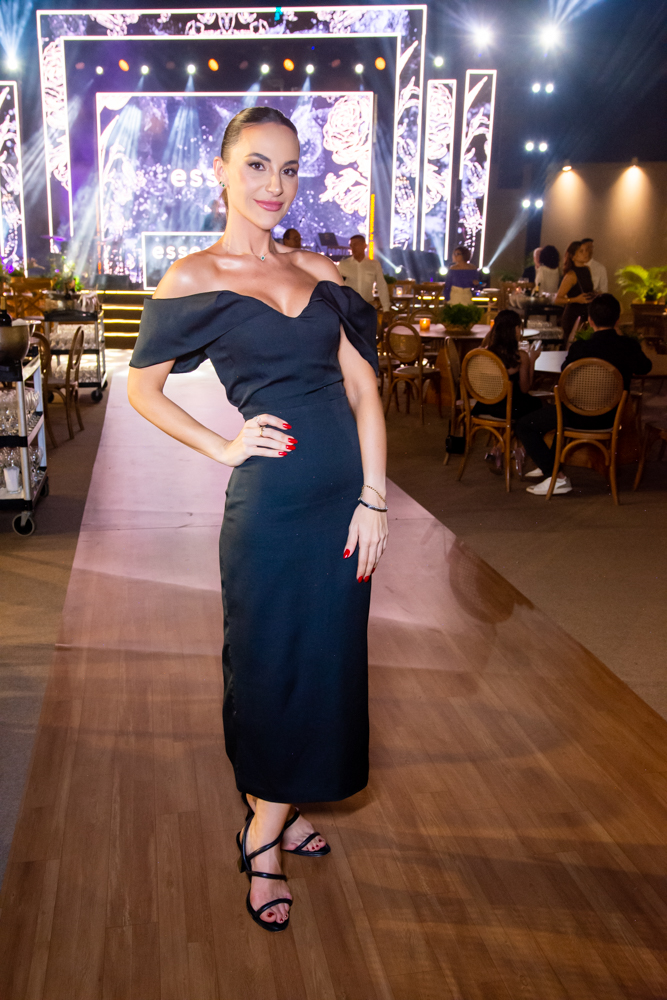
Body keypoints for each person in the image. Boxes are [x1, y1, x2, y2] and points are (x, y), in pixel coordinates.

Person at [127, 106, 388, 933]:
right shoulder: (193, 277)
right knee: (270, 669)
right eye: (256, 165)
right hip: (270, 514)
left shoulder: (318, 270)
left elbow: (363, 390)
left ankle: (278, 808)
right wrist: (222, 445)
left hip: (344, 511)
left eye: (289, 168)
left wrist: (374, 497)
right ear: (221, 170)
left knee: (328, 668)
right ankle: (263, 838)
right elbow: (141, 389)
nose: (275, 184)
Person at [516, 293, 652, 495]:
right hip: (613, 417)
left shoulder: (581, 348)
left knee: (525, 425)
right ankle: (551, 464)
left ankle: (556, 475)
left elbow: (565, 372)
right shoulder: (628, 346)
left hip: (577, 414)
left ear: (590, 320)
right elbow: (645, 367)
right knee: (554, 416)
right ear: (617, 320)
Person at [477, 309, 542, 421]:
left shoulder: (483, 354)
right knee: (541, 405)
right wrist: (532, 360)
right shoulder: (520, 356)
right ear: (517, 329)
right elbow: (525, 389)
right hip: (509, 408)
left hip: (485, 405)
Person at [338, 234, 391, 313]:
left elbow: (381, 286)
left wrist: (386, 308)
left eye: (356, 244)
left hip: (367, 306)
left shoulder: (374, 265)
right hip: (349, 308)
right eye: (351, 245)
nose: (353, 248)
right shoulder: (343, 265)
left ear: (364, 246)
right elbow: (335, 286)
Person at [554, 240, 595, 342]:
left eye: (586, 250)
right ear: (573, 257)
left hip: (586, 314)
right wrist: (575, 299)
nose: (586, 253)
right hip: (573, 316)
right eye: (581, 251)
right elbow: (557, 299)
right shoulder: (571, 275)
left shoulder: (587, 269)